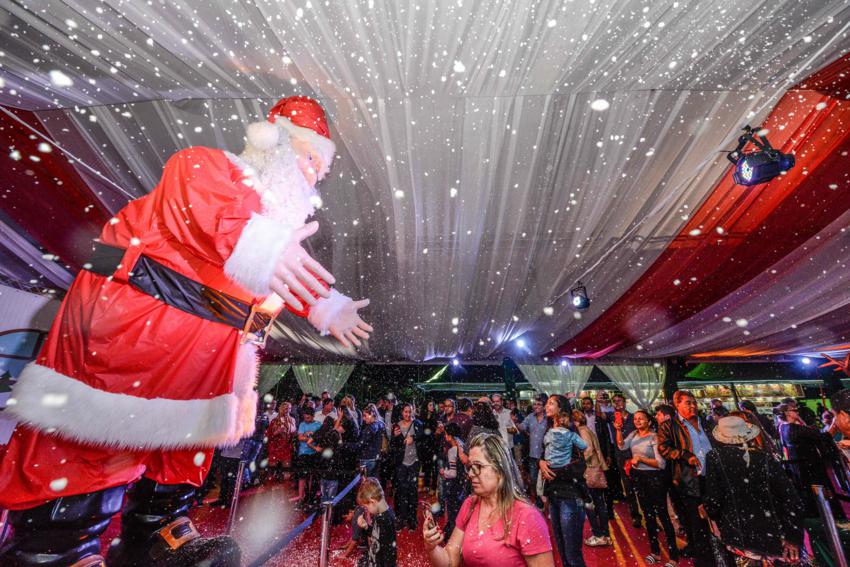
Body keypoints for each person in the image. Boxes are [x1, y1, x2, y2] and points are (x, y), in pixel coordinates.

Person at [0, 96, 373, 566]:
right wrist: (261, 247)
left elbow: (285, 269)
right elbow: (215, 214)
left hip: (204, 363)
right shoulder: (209, 166)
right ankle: (57, 547)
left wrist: (324, 303)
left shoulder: (273, 233)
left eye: (320, 167)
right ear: (275, 142)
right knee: (86, 444)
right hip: (134, 336)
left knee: (182, 451)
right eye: (310, 158)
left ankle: (159, 532)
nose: (315, 175)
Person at [423, 432, 554, 567]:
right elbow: (450, 561)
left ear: (499, 469)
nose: (470, 474)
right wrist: (431, 547)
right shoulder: (470, 505)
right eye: (470, 467)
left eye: (478, 466)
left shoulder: (527, 517)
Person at [704, 416, 805, 565]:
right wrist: (793, 536)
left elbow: (714, 500)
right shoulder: (764, 457)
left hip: (739, 535)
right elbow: (791, 499)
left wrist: (709, 510)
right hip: (774, 534)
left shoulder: (715, 457)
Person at [657, 390, 714, 567]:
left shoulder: (705, 423)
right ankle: (704, 559)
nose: (692, 406)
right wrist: (684, 454)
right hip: (689, 479)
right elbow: (664, 448)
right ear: (677, 405)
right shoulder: (670, 426)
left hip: (711, 477)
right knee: (696, 522)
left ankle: (716, 554)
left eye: (694, 402)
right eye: (687, 402)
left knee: (714, 517)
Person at [616, 409, 678, 565]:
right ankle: (655, 552)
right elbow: (622, 446)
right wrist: (617, 430)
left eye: (641, 419)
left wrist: (641, 459)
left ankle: (673, 557)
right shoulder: (633, 435)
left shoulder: (655, 437)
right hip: (639, 478)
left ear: (649, 422)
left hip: (655, 478)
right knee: (648, 516)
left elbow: (661, 464)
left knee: (662, 515)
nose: (637, 421)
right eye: (636, 419)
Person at [540, 395, 589, 567]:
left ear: (561, 409)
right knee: (561, 550)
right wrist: (541, 462)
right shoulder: (548, 429)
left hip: (570, 495)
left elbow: (579, 463)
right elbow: (543, 454)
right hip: (554, 494)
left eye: (551, 403)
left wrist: (555, 470)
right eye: (547, 403)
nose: (547, 406)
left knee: (572, 553)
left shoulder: (570, 430)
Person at [572, 409, 611, 547]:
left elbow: (587, 450)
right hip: (596, 468)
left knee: (590, 504)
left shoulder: (581, 432)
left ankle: (598, 534)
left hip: (590, 470)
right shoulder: (587, 429)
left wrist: (577, 462)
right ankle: (605, 535)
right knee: (600, 504)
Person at [607, 393, 643, 528]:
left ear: (625, 402)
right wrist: (599, 400)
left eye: (619, 401)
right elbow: (598, 414)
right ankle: (635, 515)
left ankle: (648, 513)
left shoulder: (634, 417)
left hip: (636, 453)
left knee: (641, 484)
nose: (617, 403)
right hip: (621, 455)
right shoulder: (611, 417)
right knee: (628, 486)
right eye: (614, 401)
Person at [391, 403, 424, 530]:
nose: (407, 414)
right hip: (401, 463)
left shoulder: (417, 424)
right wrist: (396, 437)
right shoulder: (397, 425)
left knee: (412, 491)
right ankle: (400, 518)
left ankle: (412, 518)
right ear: (402, 412)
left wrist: (413, 438)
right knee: (401, 491)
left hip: (414, 462)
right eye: (405, 412)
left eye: (409, 412)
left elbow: (423, 436)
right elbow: (393, 445)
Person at [356, 478, 397, 567]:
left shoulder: (387, 521)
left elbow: (390, 556)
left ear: (372, 502)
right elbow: (377, 534)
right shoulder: (379, 513)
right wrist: (366, 527)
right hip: (374, 559)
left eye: (366, 507)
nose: (368, 510)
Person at [519, 394, 549, 508]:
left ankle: (548, 502)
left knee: (547, 480)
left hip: (546, 455)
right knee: (533, 479)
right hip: (533, 455)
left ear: (544, 406)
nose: (535, 406)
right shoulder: (530, 417)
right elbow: (522, 427)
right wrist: (514, 423)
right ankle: (538, 501)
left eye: (538, 404)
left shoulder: (549, 418)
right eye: (534, 404)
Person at [291, 407, 321, 505]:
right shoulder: (302, 424)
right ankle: (301, 496)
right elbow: (300, 437)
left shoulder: (318, 425)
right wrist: (311, 437)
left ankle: (310, 496)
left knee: (312, 476)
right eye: (305, 418)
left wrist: (309, 435)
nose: (306, 420)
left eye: (308, 418)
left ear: (313, 416)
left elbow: (320, 438)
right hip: (303, 453)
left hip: (314, 453)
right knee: (302, 477)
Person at [440, 422, 466, 535]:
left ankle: (453, 536)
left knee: (453, 513)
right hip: (462, 485)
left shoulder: (452, 451)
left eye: (446, 434)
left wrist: (443, 472)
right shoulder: (463, 446)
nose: (445, 437)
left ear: (450, 436)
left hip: (453, 486)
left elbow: (453, 473)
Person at [310, 416, 341, 503]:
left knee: (321, 482)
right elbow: (340, 444)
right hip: (332, 462)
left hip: (321, 459)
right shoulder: (334, 434)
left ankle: (320, 503)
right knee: (331, 492)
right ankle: (328, 509)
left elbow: (309, 442)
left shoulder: (320, 431)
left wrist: (316, 448)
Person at [267, 402, 297, 481]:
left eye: (289, 408)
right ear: (281, 409)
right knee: (272, 471)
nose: (288, 410)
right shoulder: (274, 420)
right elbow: (269, 435)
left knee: (286, 471)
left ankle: (284, 490)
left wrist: (289, 426)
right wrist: (278, 431)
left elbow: (294, 433)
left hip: (286, 447)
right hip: (275, 447)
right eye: (286, 408)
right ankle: (269, 489)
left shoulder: (292, 420)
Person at [357, 404, 386, 477]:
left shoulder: (370, 428)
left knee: (365, 485)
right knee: (373, 484)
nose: (363, 418)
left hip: (367, 459)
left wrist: (343, 444)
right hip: (377, 458)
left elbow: (360, 444)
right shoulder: (381, 424)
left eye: (365, 416)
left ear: (372, 414)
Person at [420, 400, 440, 496]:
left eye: (433, 405)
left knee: (434, 467)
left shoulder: (436, 417)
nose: (432, 406)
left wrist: (434, 433)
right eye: (430, 405)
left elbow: (436, 432)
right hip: (425, 445)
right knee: (427, 466)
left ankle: (433, 487)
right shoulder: (422, 417)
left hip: (434, 444)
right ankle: (426, 485)